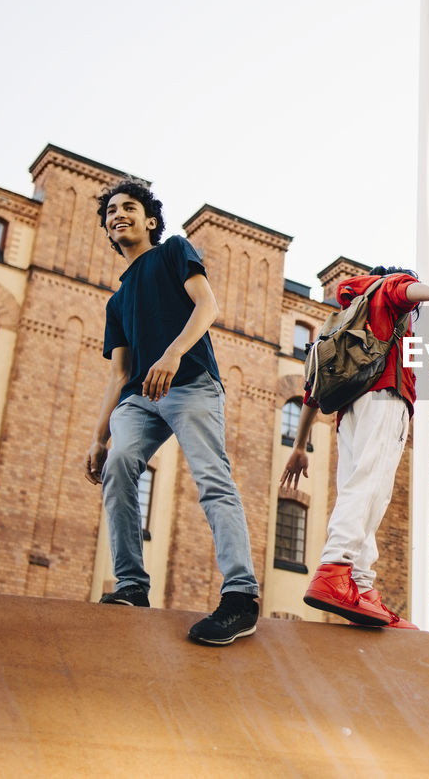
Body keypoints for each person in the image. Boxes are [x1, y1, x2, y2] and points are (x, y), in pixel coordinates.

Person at [85, 181, 260, 646]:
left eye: (129, 207)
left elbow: (208, 306)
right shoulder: (116, 301)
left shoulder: (174, 253)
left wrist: (173, 353)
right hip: (140, 398)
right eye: (111, 212)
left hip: (191, 383)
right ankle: (131, 586)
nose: (118, 214)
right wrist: (99, 438)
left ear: (150, 221)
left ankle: (241, 597)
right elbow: (119, 373)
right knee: (119, 466)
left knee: (211, 478)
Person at [281, 266, 429, 629]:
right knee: (371, 489)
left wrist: (300, 444)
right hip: (386, 398)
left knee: (360, 489)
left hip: (349, 412)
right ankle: (334, 570)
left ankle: (361, 587)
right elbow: (404, 287)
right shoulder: (385, 293)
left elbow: (313, 385)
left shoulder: (346, 317)